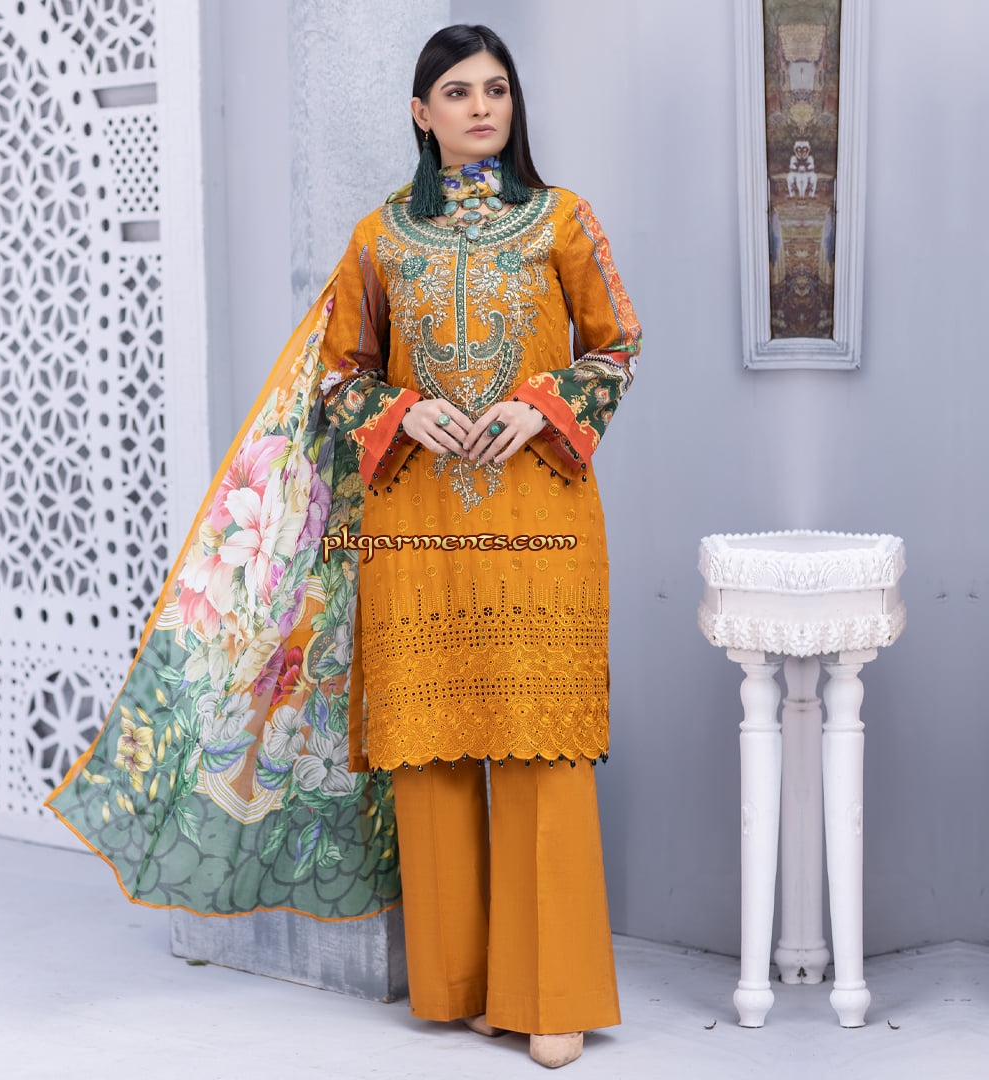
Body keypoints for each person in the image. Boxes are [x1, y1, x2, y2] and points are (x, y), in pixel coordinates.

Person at [319, 24, 641, 1070]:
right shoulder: (380, 238)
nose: (481, 108)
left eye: (496, 89)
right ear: (421, 114)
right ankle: (456, 984)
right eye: (457, 92)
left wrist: (542, 403)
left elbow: (618, 345)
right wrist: (397, 410)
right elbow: (337, 374)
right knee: (432, 749)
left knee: (542, 746)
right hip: (417, 524)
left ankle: (551, 997)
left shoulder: (562, 220)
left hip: (538, 514)